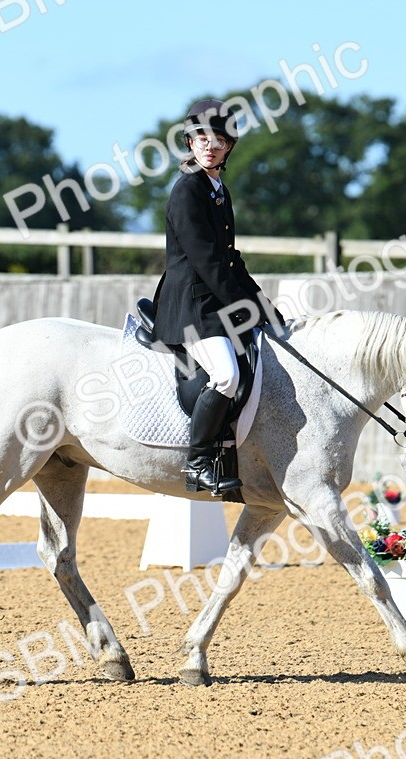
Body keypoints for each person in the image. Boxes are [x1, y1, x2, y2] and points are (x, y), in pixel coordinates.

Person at [151, 99, 286, 497]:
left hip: (212, 304)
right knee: (226, 375)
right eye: (202, 137)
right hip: (190, 306)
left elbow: (231, 259)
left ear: (229, 147)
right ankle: (197, 464)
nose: (211, 145)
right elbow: (208, 263)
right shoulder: (187, 191)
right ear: (190, 141)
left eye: (220, 139)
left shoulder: (217, 190)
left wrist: (264, 306)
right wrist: (243, 308)